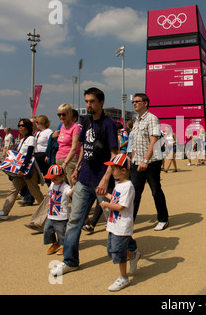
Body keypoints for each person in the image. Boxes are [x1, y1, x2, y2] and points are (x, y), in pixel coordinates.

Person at [50, 87, 123, 276]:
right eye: (87, 101)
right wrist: (78, 168)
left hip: (101, 182)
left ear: (101, 103)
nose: (88, 105)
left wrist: (106, 179)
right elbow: (83, 147)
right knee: (74, 221)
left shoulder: (108, 124)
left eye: (92, 101)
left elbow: (114, 154)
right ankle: (70, 261)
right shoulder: (86, 120)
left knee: (113, 222)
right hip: (84, 179)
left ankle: (128, 252)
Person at [100, 153, 140, 291]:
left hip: (122, 225)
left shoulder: (128, 186)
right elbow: (116, 200)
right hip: (114, 224)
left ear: (123, 170)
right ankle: (133, 255)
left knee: (118, 252)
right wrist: (106, 195)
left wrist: (106, 205)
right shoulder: (118, 184)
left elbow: (121, 206)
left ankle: (123, 278)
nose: (111, 172)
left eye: (113, 169)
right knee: (112, 251)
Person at [0, 119, 44, 220]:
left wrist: (22, 168)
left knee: (35, 191)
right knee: (13, 190)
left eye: (22, 125)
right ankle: (4, 212)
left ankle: (47, 210)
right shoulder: (23, 139)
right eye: (19, 125)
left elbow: (29, 154)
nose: (20, 127)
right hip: (20, 170)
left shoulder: (31, 139)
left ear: (27, 127)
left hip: (28, 170)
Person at [130, 93, 169, 231]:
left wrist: (145, 161)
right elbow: (136, 143)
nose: (134, 103)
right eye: (133, 101)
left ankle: (163, 218)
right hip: (137, 162)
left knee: (155, 190)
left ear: (145, 103)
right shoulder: (136, 120)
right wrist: (134, 159)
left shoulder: (152, 119)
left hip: (151, 162)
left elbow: (154, 141)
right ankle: (129, 221)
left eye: (137, 101)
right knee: (134, 192)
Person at [43, 164, 73, 255]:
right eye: (51, 178)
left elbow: (70, 193)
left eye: (55, 178)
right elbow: (50, 193)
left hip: (61, 215)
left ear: (62, 176)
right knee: (47, 229)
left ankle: (65, 246)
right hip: (51, 213)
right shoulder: (52, 184)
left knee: (61, 232)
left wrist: (75, 185)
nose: (52, 180)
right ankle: (55, 243)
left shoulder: (65, 187)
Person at [55, 103, 81, 187]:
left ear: (70, 114)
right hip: (59, 158)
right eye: (59, 114)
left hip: (70, 160)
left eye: (64, 114)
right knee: (62, 187)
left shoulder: (75, 127)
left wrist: (65, 163)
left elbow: (74, 148)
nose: (61, 117)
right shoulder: (62, 126)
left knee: (73, 185)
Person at [34, 115, 53, 183]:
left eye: (37, 122)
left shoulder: (48, 131)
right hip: (37, 154)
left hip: (44, 155)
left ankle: (50, 186)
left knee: (46, 173)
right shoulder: (39, 132)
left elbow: (50, 144)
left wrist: (48, 155)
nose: (36, 124)